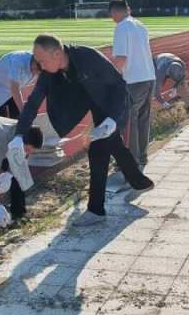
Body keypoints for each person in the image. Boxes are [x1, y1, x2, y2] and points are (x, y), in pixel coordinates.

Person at [12, 33, 153, 227]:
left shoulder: (88, 57)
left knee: (97, 152)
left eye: (42, 61)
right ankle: (140, 182)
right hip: (94, 107)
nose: (40, 67)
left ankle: (96, 210)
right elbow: (33, 102)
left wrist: (113, 120)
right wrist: (19, 135)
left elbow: (119, 86)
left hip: (113, 105)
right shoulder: (49, 72)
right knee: (115, 145)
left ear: (56, 53)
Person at [109, 0, 156, 171]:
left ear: (114, 12)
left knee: (130, 121)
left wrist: (113, 78)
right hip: (149, 77)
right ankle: (142, 157)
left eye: (111, 15)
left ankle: (132, 161)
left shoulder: (121, 27)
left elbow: (121, 57)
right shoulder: (140, 25)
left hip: (134, 80)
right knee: (143, 119)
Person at [0, 50, 40, 118]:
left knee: (17, 116)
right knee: (0, 117)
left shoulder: (41, 65)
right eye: (37, 70)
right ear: (34, 62)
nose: (37, 74)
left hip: (11, 86)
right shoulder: (17, 61)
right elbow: (14, 90)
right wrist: (23, 112)